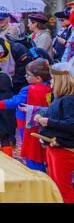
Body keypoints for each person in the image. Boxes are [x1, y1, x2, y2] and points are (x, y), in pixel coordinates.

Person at [0, 60, 51, 171]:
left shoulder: (28, 90)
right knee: (42, 154)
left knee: (32, 156)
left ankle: (38, 179)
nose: (25, 77)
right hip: (44, 127)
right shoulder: (50, 88)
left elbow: (11, 103)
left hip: (28, 127)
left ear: (38, 78)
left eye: (28, 75)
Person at [35, 62, 74, 203]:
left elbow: (71, 125)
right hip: (55, 149)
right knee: (57, 188)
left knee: (63, 190)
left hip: (63, 150)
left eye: (52, 78)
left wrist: (47, 122)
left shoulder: (69, 99)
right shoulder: (60, 99)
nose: (50, 81)